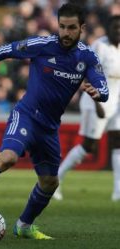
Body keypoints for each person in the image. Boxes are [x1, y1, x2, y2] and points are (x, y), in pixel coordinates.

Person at [0, 3, 109, 239]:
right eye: (62, 26)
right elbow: (6, 50)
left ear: (82, 28)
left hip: (49, 128)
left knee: (50, 182)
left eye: (71, 27)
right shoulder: (42, 45)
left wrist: (99, 93)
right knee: (8, 157)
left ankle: (23, 225)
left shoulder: (87, 56)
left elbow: (102, 83)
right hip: (26, 116)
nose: (65, 32)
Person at [53, 15, 120, 201]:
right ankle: (55, 180)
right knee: (88, 146)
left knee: (118, 142)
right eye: (115, 27)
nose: (118, 31)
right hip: (95, 102)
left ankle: (118, 191)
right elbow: (86, 74)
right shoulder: (100, 46)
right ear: (107, 28)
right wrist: (98, 102)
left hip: (116, 102)